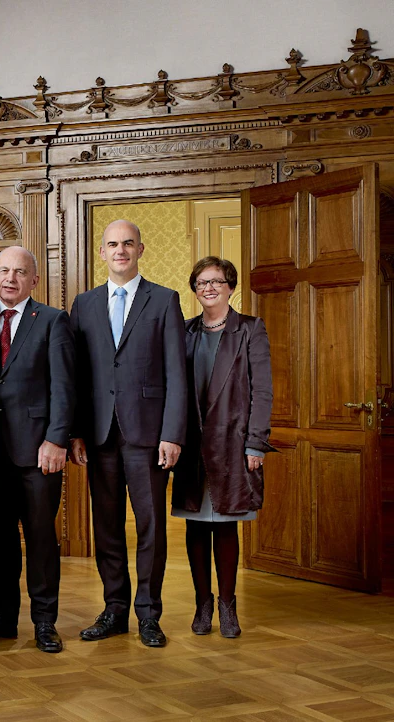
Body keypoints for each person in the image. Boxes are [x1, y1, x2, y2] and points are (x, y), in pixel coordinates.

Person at [69, 219, 187, 648]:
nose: (120, 250)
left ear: (141, 249)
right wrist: (76, 432)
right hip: (99, 436)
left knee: (151, 527)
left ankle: (149, 614)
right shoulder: (83, 304)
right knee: (106, 527)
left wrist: (172, 434)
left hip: (149, 436)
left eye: (128, 244)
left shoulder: (164, 300)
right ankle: (114, 610)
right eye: (113, 244)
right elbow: (77, 376)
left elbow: (177, 372)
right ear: (101, 252)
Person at [0, 246, 75, 654]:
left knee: (39, 538)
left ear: (35, 279)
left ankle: (45, 621)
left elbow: (65, 387)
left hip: (38, 453)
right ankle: (2, 617)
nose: (11, 278)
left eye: (20, 271)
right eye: (4, 271)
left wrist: (57, 440)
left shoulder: (52, 321)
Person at [172, 256, 273, 638]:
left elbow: (262, 391)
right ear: (195, 289)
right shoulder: (184, 331)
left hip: (233, 446)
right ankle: (203, 603)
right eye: (201, 282)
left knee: (226, 526)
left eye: (216, 281)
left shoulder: (250, 329)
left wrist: (256, 444)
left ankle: (228, 606)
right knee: (196, 527)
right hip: (191, 448)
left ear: (231, 286)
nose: (208, 288)